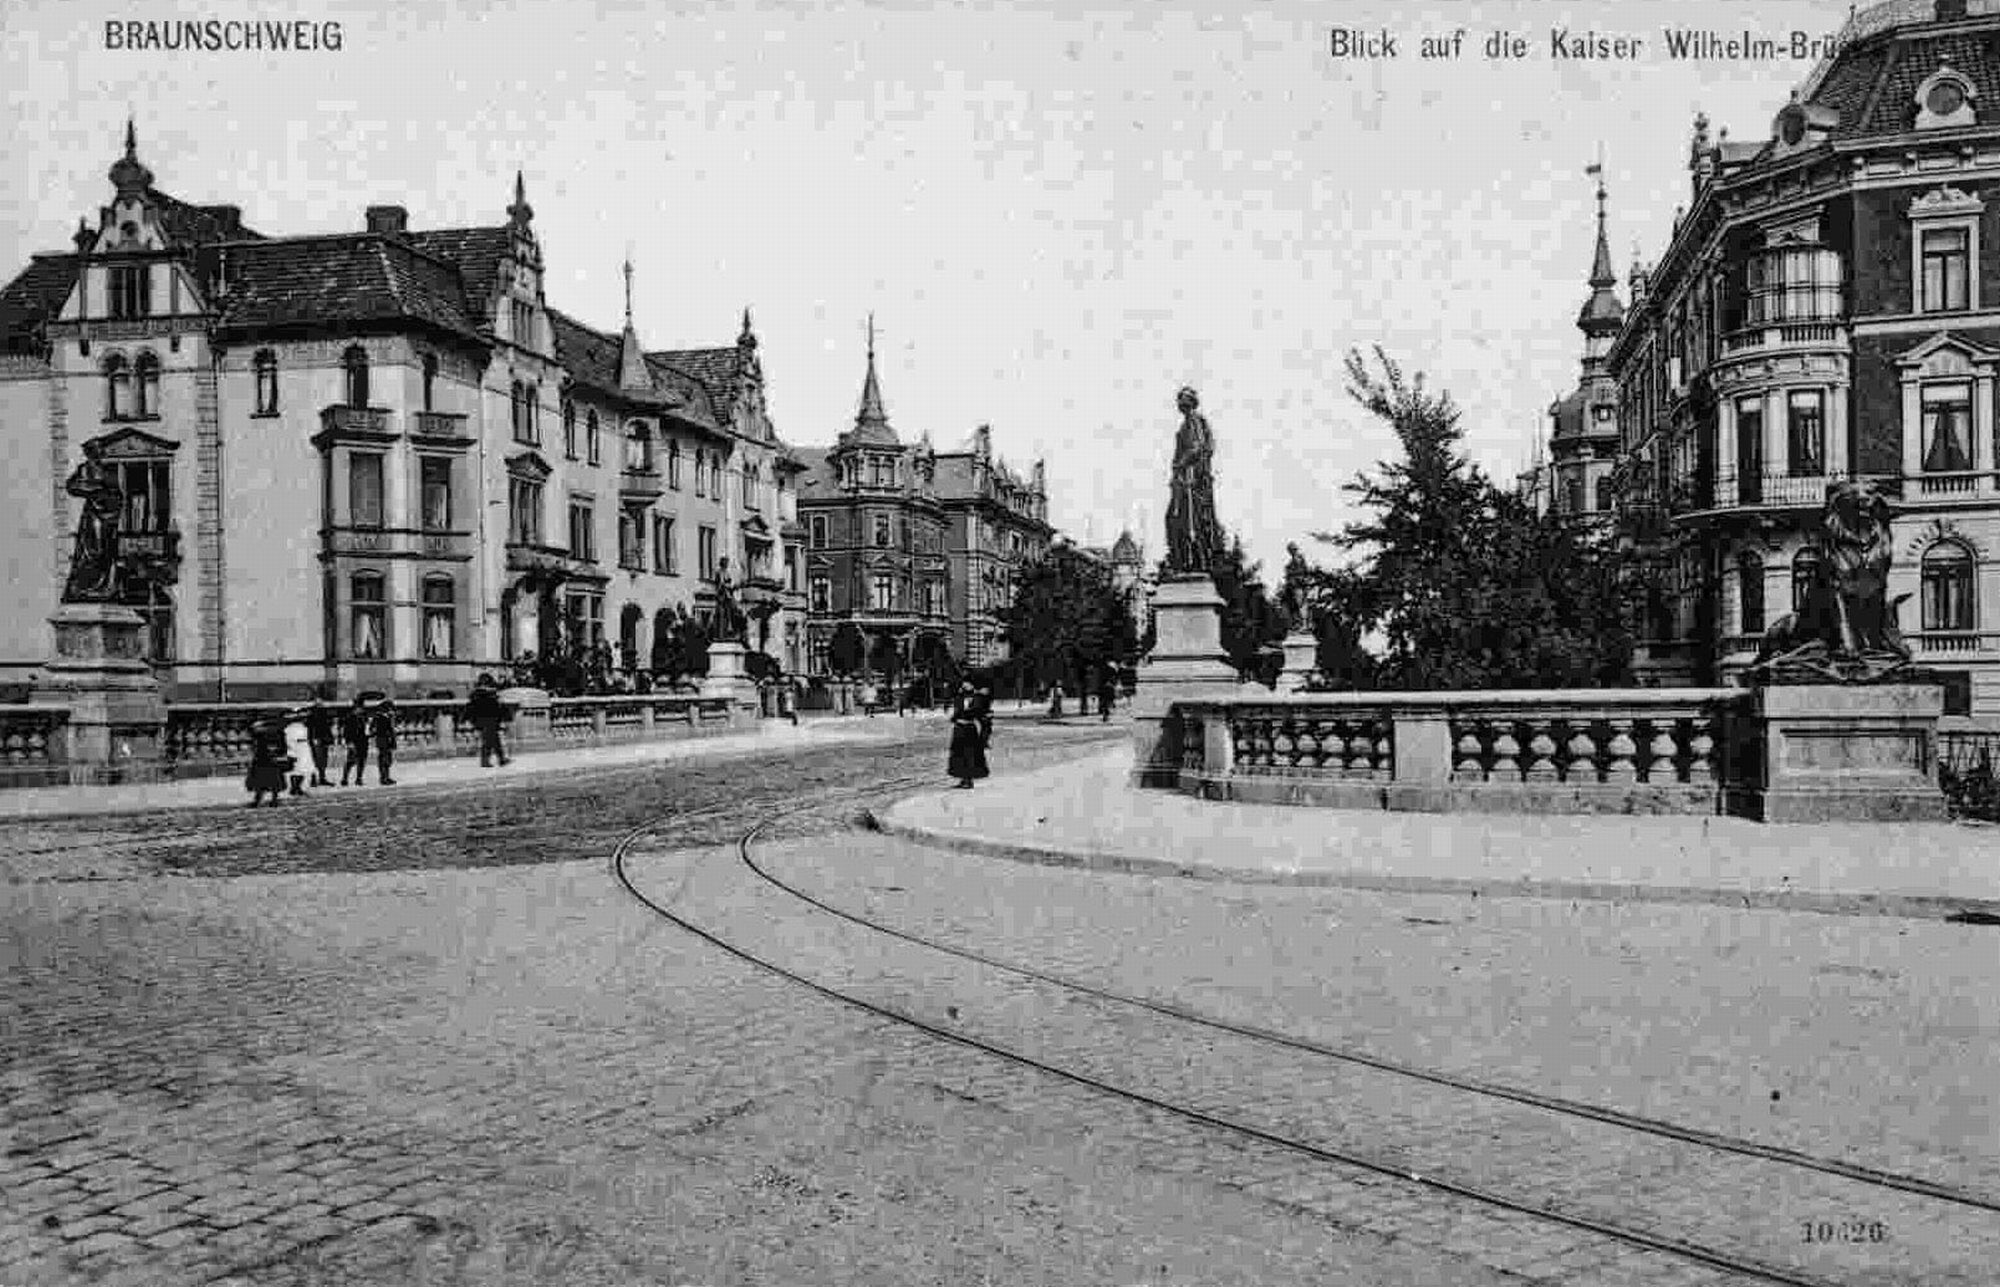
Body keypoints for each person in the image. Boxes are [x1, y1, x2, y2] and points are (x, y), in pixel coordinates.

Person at [947, 681, 991, 788]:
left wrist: (984, 737)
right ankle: (962, 777)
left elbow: (982, 716)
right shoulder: (960, 699)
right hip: (959, 729)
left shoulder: (977, 700)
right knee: (958, 755)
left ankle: (968, 779)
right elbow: (957, 712)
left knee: (968, 755)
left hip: (969, 730)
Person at [245, 718, 290, 807]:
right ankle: (271, 800)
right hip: (267, 761)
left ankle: (265, 800)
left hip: (264, 761)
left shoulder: (263, 735)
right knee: (270, 782)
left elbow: (282, 748)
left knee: (264, 782)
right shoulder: (277, 734)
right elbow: (282, 748)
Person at [467, 673, 510, 768]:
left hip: (480, 720)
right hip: (491, 720)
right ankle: (487, 760)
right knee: (490, 741)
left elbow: (470, 709)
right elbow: (498, 708)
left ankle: (501, 759)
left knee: (493, 740)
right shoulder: (491, 694)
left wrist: (473, 721)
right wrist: (502, 718)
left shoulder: (475, 695)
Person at [339, 695, 371, 786]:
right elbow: (346, 731)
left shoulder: (364, 717)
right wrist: (349, 742)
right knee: (350, 761)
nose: (361, 710)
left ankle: (359, 778)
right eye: (359, 708)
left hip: (363, 741)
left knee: (361, 761)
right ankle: (344, 779)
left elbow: (366, 729)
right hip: (354, 741)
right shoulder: (350, 717)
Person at [303, 696, 334, 787]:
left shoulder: (324, 711)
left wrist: (330, 739)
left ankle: (321, 778)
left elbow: (328, 726)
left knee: (323, 759)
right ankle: (314, 779)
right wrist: (313, 738)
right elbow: (310, 726)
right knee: (316, 759)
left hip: (323, 738)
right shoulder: (312, 713)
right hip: (316, 738)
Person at [282, 709, 312, 798]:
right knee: (296, 769)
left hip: (304, 749)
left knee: (305, 769)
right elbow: (289, 740)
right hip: (295, 749)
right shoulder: (289, 729)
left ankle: (298, 787)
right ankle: (294, 787)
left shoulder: (303, 727)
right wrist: (292, 750)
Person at [370, 698, 399, 785]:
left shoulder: (388, 717)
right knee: (383, 760)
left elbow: (391, 730)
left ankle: (386, 776)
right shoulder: (379, 717)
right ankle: (383, 778)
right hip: (382, 741)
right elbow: (373, 729)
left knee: (388, 760)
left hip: (387, 741)